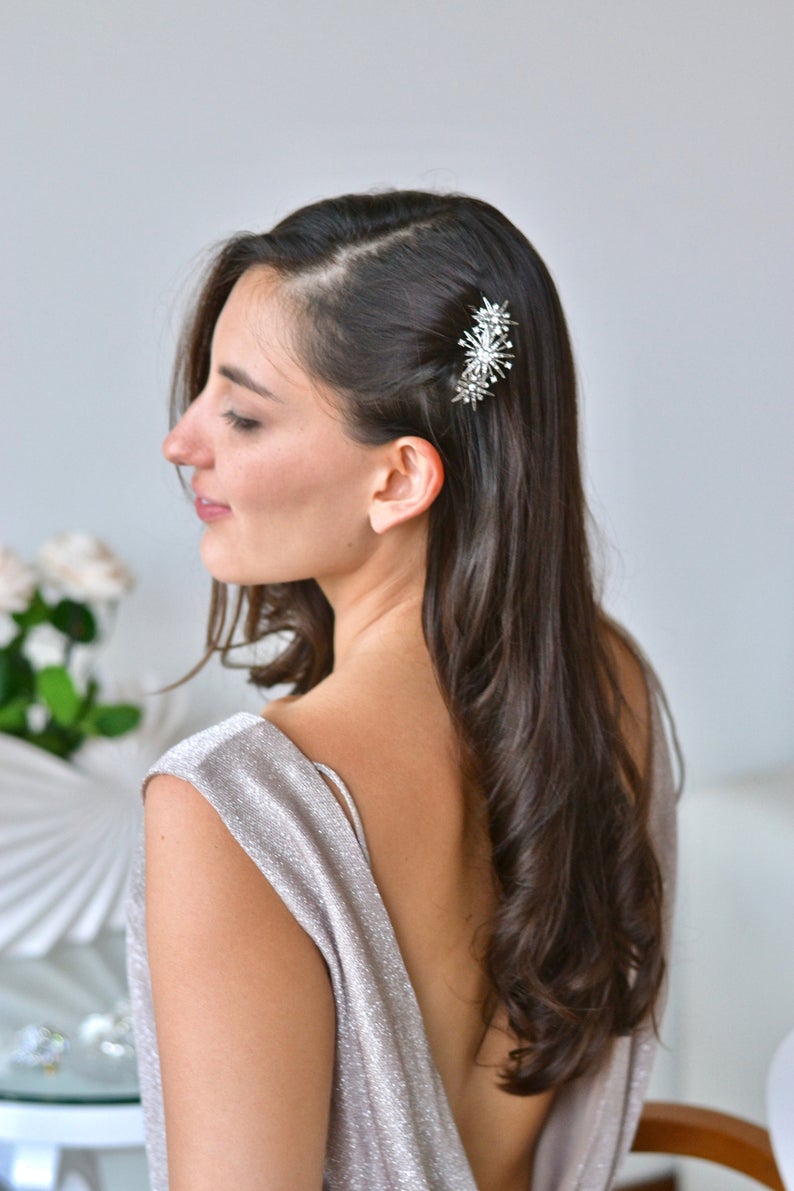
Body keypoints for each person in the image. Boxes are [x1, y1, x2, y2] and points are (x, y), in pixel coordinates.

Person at [126, 190, 679, 1191]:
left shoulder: (236, 807)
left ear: (396, 481)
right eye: (205, 391)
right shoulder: (606, 685)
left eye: (242, 413)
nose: (184, 441)